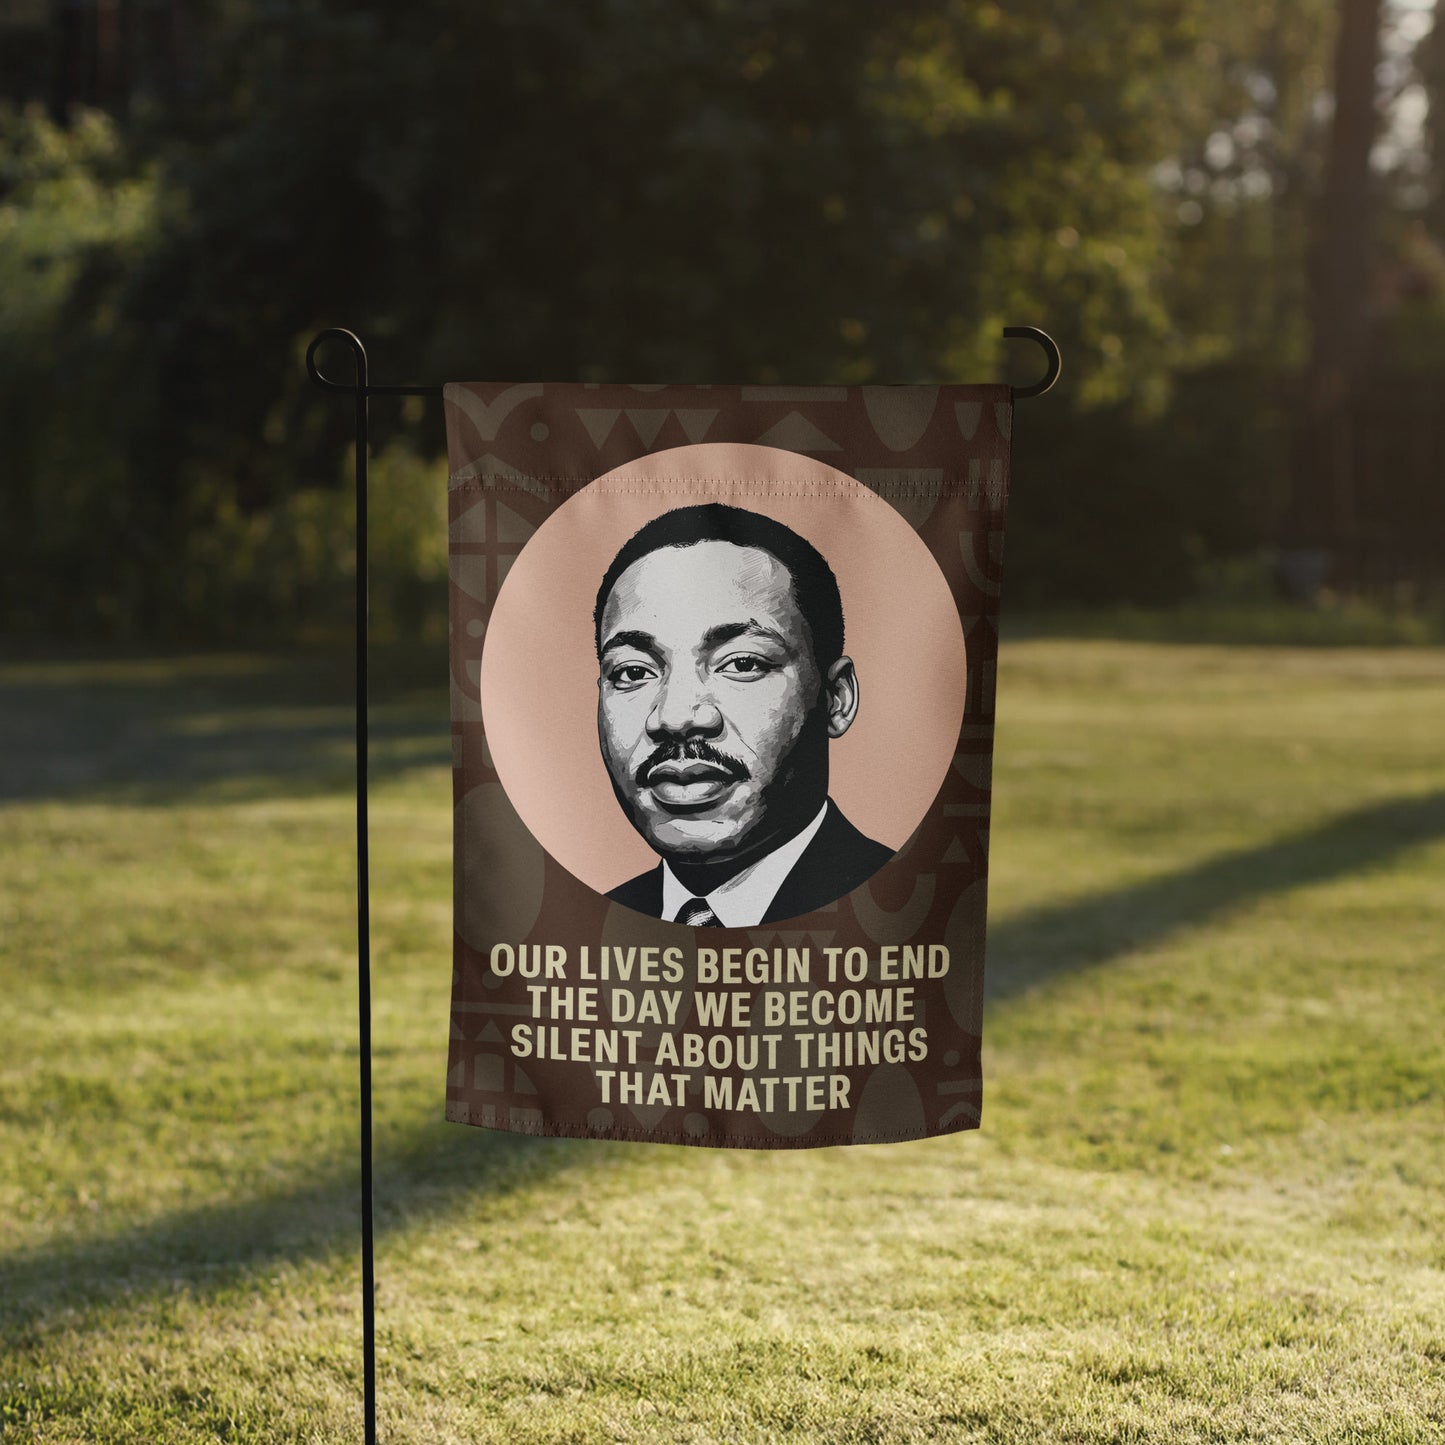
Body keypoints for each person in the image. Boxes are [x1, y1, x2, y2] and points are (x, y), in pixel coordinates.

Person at [594, 502, 893, 926]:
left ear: (836, 699)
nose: (675, 718)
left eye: (742, 663)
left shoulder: (908, 910)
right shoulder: (584, 930)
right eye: (633, 671)